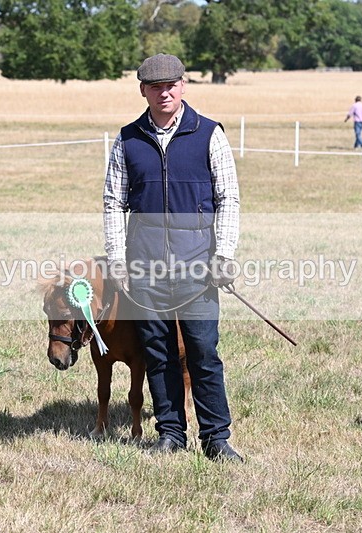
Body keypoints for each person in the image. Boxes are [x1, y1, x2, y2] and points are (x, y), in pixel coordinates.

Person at [103, 53, 243, 462]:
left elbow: (228, 198)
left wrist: (225, 254)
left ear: (183, 86)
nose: (163, 93)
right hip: (143, 264)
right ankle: (170, 433)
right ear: (143, 90)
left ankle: (216, 438)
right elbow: (113, 202)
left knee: (202, 350)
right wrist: (116, 259)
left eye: (171, 85)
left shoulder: (209, 134)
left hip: (197, 264)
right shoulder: (127, 139)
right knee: (158, 351)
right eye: (154, 87)